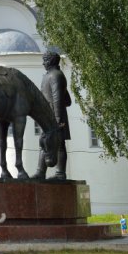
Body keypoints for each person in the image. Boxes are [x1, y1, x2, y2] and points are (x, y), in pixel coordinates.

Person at [34, 51, 72, 180]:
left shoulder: (55, 76)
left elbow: (58, 99)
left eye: (45, 60)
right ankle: (40, 172)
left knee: (59, 144)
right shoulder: (51, 76)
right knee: (44, 143)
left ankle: (60, 173)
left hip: (55, 117)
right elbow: (67, 100)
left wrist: (57, 119)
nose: (43, 63)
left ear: (50, 61)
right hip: (48, 116)